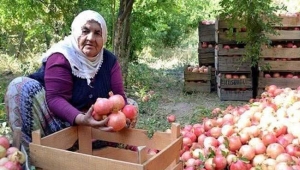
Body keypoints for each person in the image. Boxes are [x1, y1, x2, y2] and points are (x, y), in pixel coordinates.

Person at [4, 10, 137, 169]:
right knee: (20, 87)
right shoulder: (62, 56)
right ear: (75, 32)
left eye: (97, 33)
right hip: (57, 124)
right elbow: (55, 99)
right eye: (85, 31)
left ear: (104, 38)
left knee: (132, 104)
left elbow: (119, 97)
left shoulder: (109, 61)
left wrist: (125, 114)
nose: (91, 38)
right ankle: (29, 158)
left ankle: (101, 150)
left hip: (96, 125)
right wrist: (81, 118)